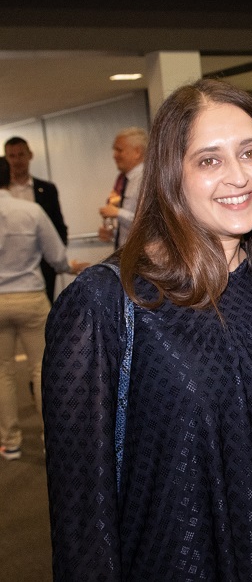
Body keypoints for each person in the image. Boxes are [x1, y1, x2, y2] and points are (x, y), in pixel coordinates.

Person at [43, 80, 252, 580]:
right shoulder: (105, 302)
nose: (238, 176)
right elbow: (82, 515)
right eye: (209, 160)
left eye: (250, 153)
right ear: (171, 176)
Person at [0, 158, 83, 461]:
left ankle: (10, 443)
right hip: (31, 297)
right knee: (41, 368)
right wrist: (68, 267)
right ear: (10, 177)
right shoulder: (31, 211)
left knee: (2, 372)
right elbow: (57, 256)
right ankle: (52, 439)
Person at [4, 136, 68, 302]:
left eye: (21, 155)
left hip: (42, 265)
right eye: (12, 156)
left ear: (30, 155)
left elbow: (58, 226)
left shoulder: (46, 189)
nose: (17, 160)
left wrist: (57, 257)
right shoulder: (3, 191)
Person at [98, 126, 147, 249]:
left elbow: (149, 224)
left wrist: (117, 213)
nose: (114, 155)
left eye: (119, 150)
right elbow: (131, 233)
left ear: (137, 152)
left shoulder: (147, 179)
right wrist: (113, 234)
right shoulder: (126, 181)